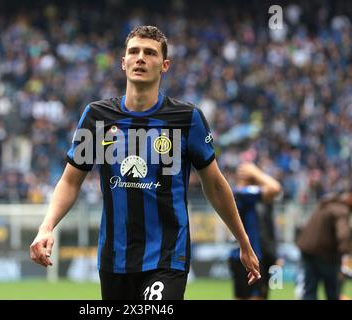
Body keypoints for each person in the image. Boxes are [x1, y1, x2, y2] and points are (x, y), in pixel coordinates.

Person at [30, 25, 260, 300]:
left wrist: (243, 241)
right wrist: (46, 226)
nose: (140, 58)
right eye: (134, 52)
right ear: (123, 62)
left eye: (149, 53)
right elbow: (70, 181)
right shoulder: (97, 117)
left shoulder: (187, 118)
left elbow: (214, 184)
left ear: (164, 65)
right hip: (114, 260)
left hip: (167, 258)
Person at [228, 162, 282, 300]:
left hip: (241, 254)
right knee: (255, 297)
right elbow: (275, 188)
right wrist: (256, 172)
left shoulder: (242, 196)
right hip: (248, 256)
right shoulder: (243, 193)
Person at [296, 189, 352, 300]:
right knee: (332, 292)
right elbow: (343, 235)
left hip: (307, 251)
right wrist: (345, 254)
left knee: (309, 291)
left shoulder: (325, 205)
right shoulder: (341, 210)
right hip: (326, 255)